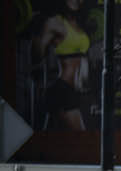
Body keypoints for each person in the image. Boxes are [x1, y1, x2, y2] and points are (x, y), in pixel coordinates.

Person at [31, 0, 93, 131]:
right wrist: (38, 34)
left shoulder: (79, 24)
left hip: (74, 91)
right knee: (80, 137)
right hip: (62, 90)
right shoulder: (55, 23)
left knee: (53, 139)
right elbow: (36, 56)